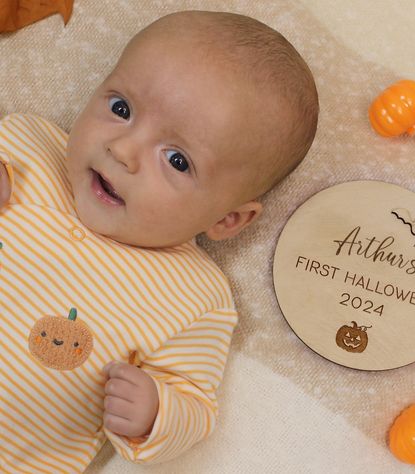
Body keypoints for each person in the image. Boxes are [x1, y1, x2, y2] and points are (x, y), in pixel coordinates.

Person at [0, 9, 318, 473]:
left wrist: (153, 413)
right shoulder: (27, 145)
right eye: (121, 109)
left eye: (177, 160)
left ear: (228, 219)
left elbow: (194, 405)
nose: (123, 150)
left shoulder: (195, 298)